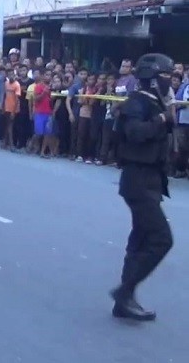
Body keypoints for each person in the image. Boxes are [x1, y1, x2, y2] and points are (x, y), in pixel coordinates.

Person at [110, 53, 175, 321]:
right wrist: (161, 120)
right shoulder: (137, 102)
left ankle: (124, 301)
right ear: (153, 78)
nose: (171, 81)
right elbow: (135, 133)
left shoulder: (155, 102)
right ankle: (124, 291)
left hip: (150, 180)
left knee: (141, 238)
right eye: (166, 76)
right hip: (138, 180)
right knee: (161, 239)